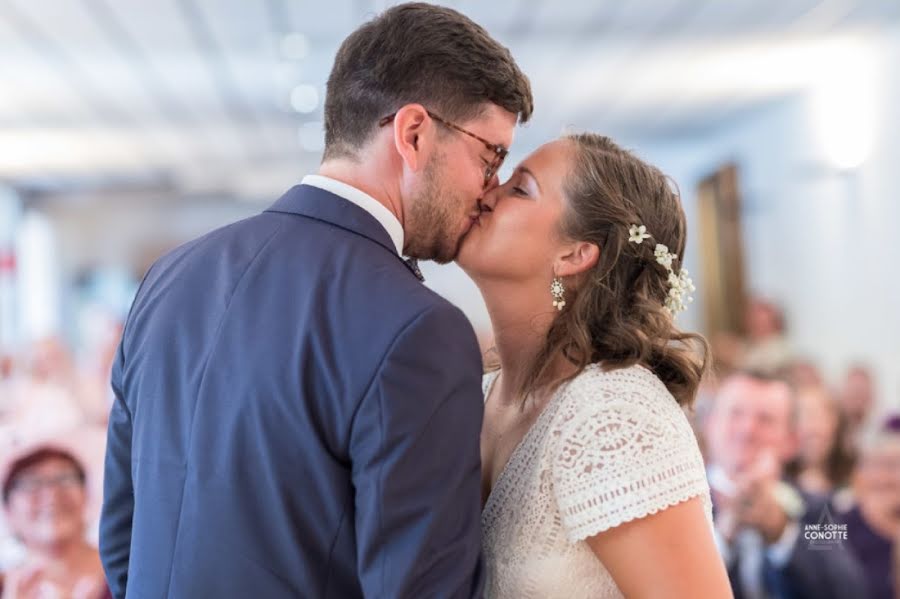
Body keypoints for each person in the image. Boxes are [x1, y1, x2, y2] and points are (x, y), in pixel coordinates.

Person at [99, 3, 532, 598]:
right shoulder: (418, 328)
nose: (489, 191)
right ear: (413, 134)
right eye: (491, 157)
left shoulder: (171, 277)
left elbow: (124, 543)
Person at [457, 133, 732, 597]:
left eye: (520, 189)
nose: (488, 191)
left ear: (575, 255)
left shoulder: (612, 412)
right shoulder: (478, 394)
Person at [704, 372, 867, 599]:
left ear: (792, 441)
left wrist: (782, 532)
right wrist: (723, 538)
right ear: (710, 425)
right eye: (735, 413)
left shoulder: (817, 507)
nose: (748, 429)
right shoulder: (681, 505)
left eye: (765, 419)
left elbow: (851, 590)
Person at [1, 442, 110, 599]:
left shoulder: (130, 573)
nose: (51, 494)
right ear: (8, 510)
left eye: (65, 479)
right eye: (32, 483)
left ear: (87, 497)